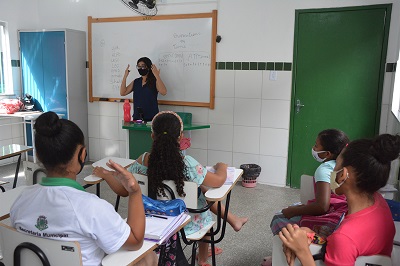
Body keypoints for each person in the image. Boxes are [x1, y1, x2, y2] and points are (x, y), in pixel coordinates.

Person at [94, 111, 248, 266]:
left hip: (151, 221)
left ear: (152, 136)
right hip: (188, 223)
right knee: (202, 200)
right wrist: (221, 167)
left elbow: (123, 190)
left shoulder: (142, 161)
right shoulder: (187, 164)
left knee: (200, 191)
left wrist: (107, 175)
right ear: (180, 137)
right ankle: (202, 259)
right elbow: (219, 181)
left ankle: (230, 223)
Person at [10, 111, 157, 266]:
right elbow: (135, 241)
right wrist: (134, 192)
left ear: (39, 156)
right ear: (82, 155)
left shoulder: (21, 200)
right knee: (149, 257)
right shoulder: (92, 207)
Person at [278, 134, 398, 266]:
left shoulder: (344, 238)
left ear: (342, 175)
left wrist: (302, 251)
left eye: (336, 165)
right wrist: (314, 236)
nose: (332, 170)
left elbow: (347, 241)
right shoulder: (378, 202)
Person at [263, 129, 349, 266]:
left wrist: (293, 211)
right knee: (298, 204)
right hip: (342, 213)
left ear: (327, 153)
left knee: (279, 218)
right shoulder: (347, 165)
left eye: (316, 146)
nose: (313, 148)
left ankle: (283, 256)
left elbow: (322, 206)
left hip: (331, 218)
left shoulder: (325, 169)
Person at [120, 57, 167, 121]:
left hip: (152, 119)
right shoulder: (136, 81)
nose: (140, 68)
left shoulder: (154, 81)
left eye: (143, 66)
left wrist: (156, 75)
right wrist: (125, 76)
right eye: (138, 66)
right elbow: (123, 92)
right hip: (137, 118)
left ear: (148, 67)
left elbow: (163, 92)